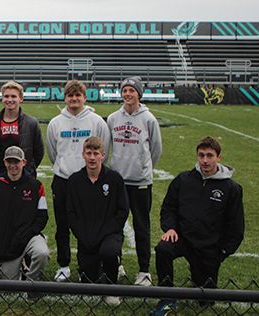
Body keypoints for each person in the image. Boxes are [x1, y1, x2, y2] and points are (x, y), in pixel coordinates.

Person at [150, 137, 244, 314]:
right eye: (201, 155)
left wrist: (222, 252)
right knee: (163, 249)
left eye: (210, 155)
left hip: (209, 247)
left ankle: (199, 275)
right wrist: (170, 228)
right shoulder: (183, 180)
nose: (205, 160)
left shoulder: (231, 188)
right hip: (182, 238)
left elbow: (236, 226)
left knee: (205, 302)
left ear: (219, 157)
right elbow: (168, 208)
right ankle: (167, 296)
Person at [46, 79, 111, 282]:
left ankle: (90, 263)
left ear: (85, 97)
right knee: (62, 224)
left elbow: (104, 149)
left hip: (89, 180)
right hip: (63, 180)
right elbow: (52, 151)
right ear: (64, 98)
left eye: (78, 95)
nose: (74, 99)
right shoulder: (56, 123)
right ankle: (64, 265)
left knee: (89, 224)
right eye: (70, 95)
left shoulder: (97, 121)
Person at [106, 76, 163, 286]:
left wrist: (144, 167)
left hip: (140, 182)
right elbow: (107, 146)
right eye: (125, 90)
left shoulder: (149, 119)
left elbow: (156, 149)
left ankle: (144, 270)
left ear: (139, 93)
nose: (128, 94)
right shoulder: (113, 118)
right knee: (115, 226)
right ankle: (117, 264)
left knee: (141, 226)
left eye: (132, 90)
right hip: (119, 181)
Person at [67, 137, 128, 306]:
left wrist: (105, 233)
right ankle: (97, 268)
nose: (92, 157)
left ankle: (112, 288)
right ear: (83, 155)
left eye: (96, 153)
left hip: (109, 234)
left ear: (103, 155)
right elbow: (71, 213)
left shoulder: (114, 179)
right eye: (89, 153)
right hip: (86, 236)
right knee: (88, 281)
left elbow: (122, 211)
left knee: (109, 251)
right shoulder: (74, 181)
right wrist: (83, 235)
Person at [0, 146, 49, 285]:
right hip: (7, 242)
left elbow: (42, 216)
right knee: (10, 285)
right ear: (5, 162)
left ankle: (32, 282)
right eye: (9, 162)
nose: (13, 166)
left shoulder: (36, 186)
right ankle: (21, 266)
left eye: (16, 162)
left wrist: (27, 234)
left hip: (29, 237)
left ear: (24, 162)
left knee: (42, 253)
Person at [0, 81, 44, 188]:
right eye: (6, 96)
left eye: (13, 96)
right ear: (2, 99)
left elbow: (38, 152)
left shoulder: (31, 123)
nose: (9, 100)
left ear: (20, 99)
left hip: (24, 177)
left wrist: (27, 168)